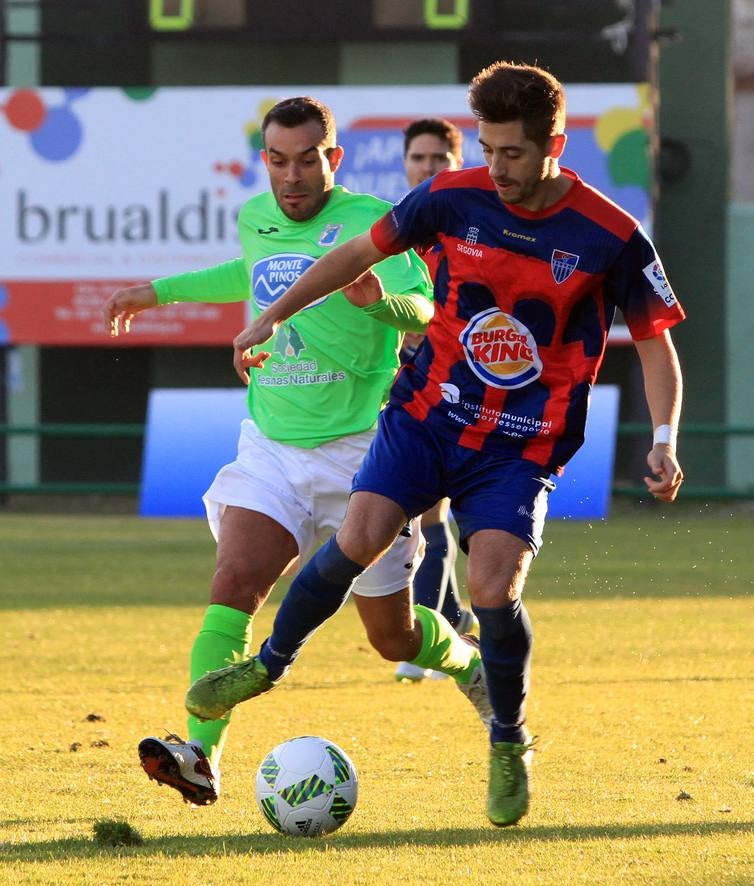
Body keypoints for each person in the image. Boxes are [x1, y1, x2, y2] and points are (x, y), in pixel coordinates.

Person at [185, 62, 686, 828]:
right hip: (425, 417)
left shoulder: (611, 234)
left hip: (521, 445)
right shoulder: (452, 197)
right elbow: (354, 256)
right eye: (487, 150)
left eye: (513, 153)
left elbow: (654, 344)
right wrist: (272, 314)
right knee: (358, 535)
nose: (498, 168)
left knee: (492, 590)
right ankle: (266, 666)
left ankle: (509, 740)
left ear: (555, 142)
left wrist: (663, 438)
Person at [104, 96, 492, 808]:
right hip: (273, 452)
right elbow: (244, 273)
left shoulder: (374, 221)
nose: (290, 176)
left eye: (305, 160)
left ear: (331, 159)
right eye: (276, 160)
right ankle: (199, 754)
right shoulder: (257, 215)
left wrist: (378, 301)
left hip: (365, 460)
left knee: (394, 639)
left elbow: (426, 309)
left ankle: (469, 662)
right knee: (234, 584)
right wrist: (152, 291)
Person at [395, 117, 474, 683]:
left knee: (436, 512)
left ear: (456, 162)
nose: (426, 167)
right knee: (411, 511)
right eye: (418, 158)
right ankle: (452, 621)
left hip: (463, 380)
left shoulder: (470, 224)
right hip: (402, 377)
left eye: (437, 160)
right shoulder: (396, 227)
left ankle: (426, 635)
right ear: (405, 163)